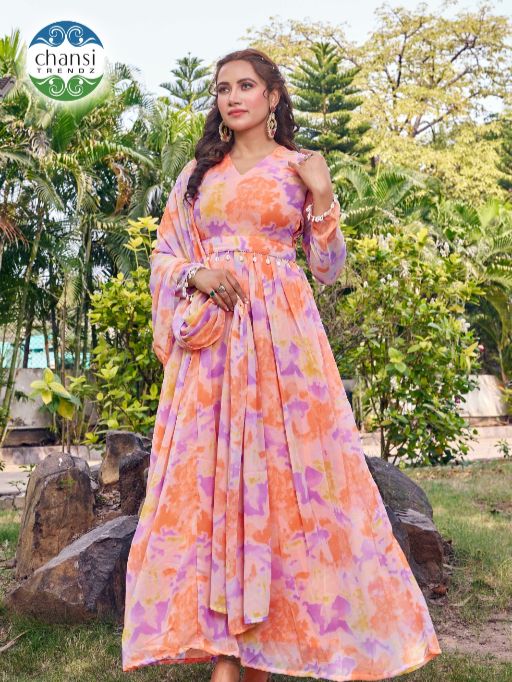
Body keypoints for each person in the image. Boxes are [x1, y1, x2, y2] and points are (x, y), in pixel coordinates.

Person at [121, 47, 442, 681]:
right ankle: (229, 651)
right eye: (222, 89)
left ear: (272, 97)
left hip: (284, 351)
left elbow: (327, 267)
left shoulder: (299, 167)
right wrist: (197, 273)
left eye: (245, 86)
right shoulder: (197, 175)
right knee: (210, 485)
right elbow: (163, 254)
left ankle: (265, 646)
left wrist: (323, 194)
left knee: (286, 485)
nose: (232, 97)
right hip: (214, 351)